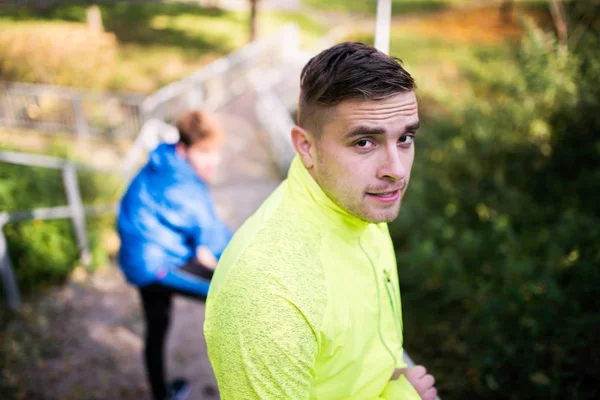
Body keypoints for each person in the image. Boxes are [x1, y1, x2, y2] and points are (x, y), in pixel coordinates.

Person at [204, 42, 438, 400]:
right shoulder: (266, 292)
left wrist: (389, 375)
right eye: (364, 143)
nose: (396, 170)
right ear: (306, 147)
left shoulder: (362, 204)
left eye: (405, 138)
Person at [118, 110, 232, 400]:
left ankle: (160, 393)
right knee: (234, 294)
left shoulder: (164, 160)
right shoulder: (183, 185)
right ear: (184, 148)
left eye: (216, 152)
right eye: (205, 152)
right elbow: (213, 243)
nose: (213, 160)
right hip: (155, 262)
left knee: (157, 326)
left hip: (142, 255)